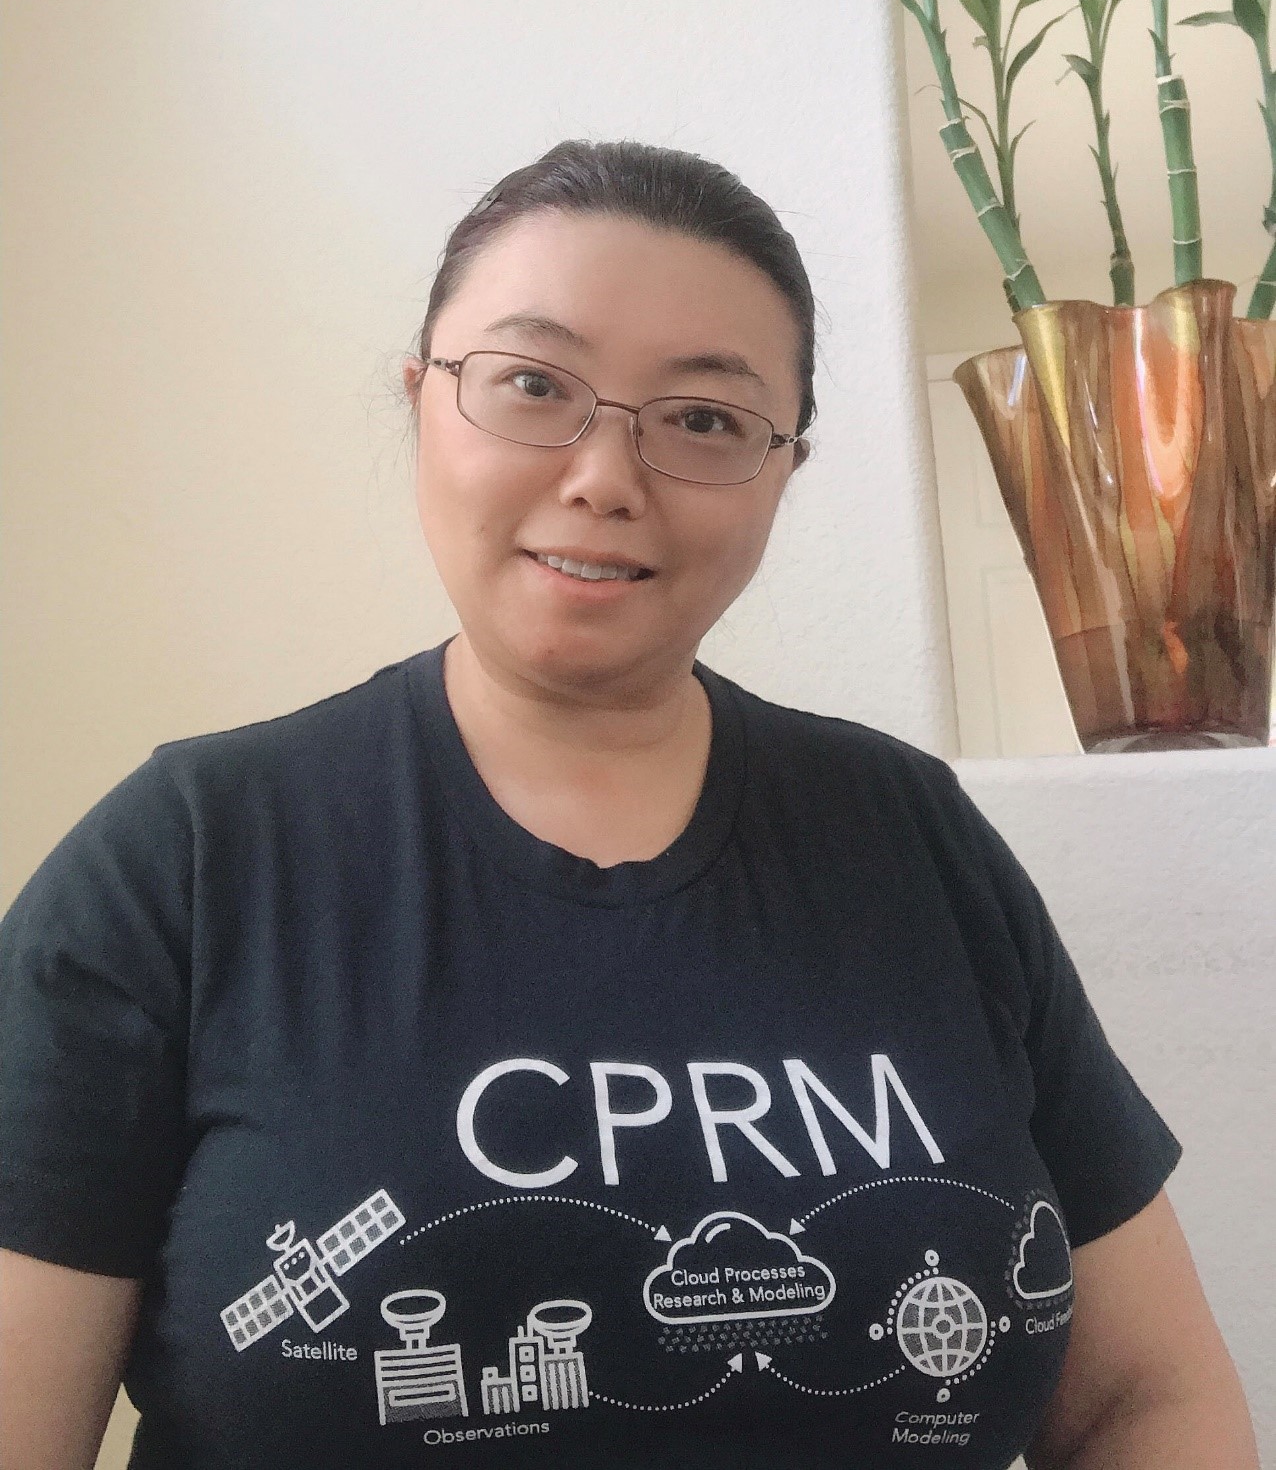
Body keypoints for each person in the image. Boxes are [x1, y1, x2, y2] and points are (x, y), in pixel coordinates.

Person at [0, 139, 1259, 1470]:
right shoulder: (190, 859)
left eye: (705, 418)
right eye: (534, 384)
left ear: (784, 470)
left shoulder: (912, 837)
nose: (605, 473)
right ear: (422, 396)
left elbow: (1152, 1396)